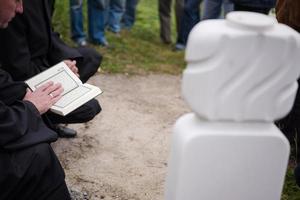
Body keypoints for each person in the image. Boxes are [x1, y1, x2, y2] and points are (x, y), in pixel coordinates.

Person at [0, 0, 102, 138]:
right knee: (89, 108)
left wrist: (64, 63)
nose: (20, 8)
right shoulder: (11, 10)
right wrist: (56, 74)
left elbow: (49, 34)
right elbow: (18, 68)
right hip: (26, 74)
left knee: (90, 57)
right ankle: (43, 120)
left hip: (44, 61)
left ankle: (49, 113)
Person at [0, 0, 71, 198]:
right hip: (32, 72)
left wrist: (26, 92)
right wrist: (32, 106)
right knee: (38, 155)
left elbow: (50, 38)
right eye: (16, 0)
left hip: (37, 73)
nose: (21, 8)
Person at [276, 0, 300, 187]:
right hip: (292, 24)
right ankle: (284, 148)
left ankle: (287, 149)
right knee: (289, 88)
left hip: (291, 23)